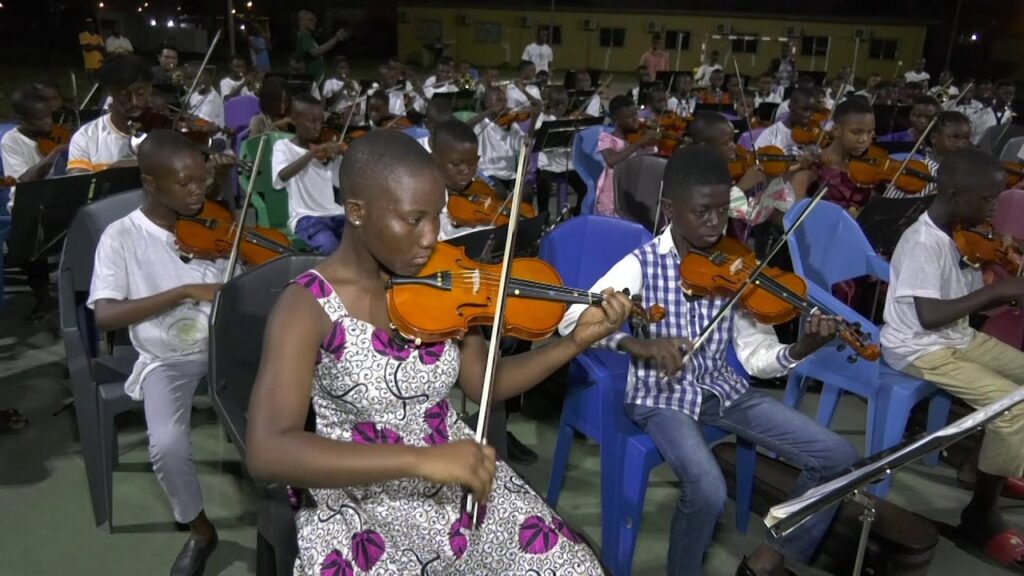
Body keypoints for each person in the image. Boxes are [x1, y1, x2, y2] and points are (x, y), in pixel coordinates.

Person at [246, 130, 627, 575]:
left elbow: (490, 384)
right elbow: (267, 450)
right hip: (357, 496)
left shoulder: (443, 281)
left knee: (574, 568)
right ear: (357, 212)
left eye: (437, 217)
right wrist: (421, 460)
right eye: (414, 220)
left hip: (455, 473)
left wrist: (573, 342)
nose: (433, 237)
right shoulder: (307, 306)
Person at [560, 145, 859, 576]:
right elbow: (572, 322)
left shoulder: (735, 265)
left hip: (722, 390)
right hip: (661, 395)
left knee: (838, 455)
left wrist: (799, 350)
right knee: (708, 490)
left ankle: (769, 557)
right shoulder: (640, 265)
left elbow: (756, 358)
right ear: (670, 209)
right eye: (702, 212)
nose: (716, 223)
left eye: (724, 211)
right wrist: (636, 346)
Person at [88, 131, 227, 576]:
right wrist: (183, 290)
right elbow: (106, 317)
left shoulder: (217, 223)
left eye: (202, 181)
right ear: (151, 182)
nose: (197, 192)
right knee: (167, 445)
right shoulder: (121, 237)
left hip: (229, 346)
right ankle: (200, 529)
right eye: (185, 184)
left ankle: (294, 503)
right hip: (167, 358)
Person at [880, 147, 1024, 572]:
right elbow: (929, 316)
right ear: (956, 194)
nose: (995, 208)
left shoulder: (963, 231)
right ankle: (981, 513)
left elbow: (959, 302)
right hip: (918, 347)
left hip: (956, 338)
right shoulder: (923, 241)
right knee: (1012, 406)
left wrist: (996, 269)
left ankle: (989, 464)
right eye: (990, 199)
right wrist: (997, 291)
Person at [2, 86, 69, 321]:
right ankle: (42, 298)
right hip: (27, 200)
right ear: (21, 119)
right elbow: (24, 180)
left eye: (49, 116)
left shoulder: (57, 133)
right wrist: (52, 157)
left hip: (60, 196)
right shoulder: (11, 141)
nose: (47, 124)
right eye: (39, 119)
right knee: (28, 242)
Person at [272, 94, 346, 255]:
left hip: (335, 213)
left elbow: (339, 183)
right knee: (329, 246)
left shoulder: (325, 151)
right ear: (294, 119)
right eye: (312, 121)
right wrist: (312, 154)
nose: (318, 127)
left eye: (321, 121)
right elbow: (281, 178)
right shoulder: (283, 147)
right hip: (306, 217)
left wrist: (340, 158)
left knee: (366, 240)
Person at [67, 55, 152, 174]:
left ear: (150, 89)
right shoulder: (86, 137)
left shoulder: (164, 132)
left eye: (141, 93)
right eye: (124, 94)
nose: (134, 102)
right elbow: (80, 186)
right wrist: (111, 173)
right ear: (109, 91)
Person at [790, 97, 876, 212]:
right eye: (856, 132)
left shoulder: (869, 170)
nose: (865, 139)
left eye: (870, 132)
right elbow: (795, 211)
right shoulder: (813, 165)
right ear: (837, 130)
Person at [594, 95, 658, 217]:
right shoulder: (607, 138)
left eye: (636, 114)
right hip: (615, 191)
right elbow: (611, 160)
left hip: (637, 188)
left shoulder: (641, 134)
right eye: (629, 117)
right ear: (616, 119)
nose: (635, 119)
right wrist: (639, 143)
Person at [884, 110, 972, 199]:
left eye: (965, 139)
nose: (961, 145)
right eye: (955, 138)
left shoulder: (964, 172)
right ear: (934, 137)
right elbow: (891, 205)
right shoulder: (914, 168)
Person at [431, 119, 493, 241]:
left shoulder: (476, 186)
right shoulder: (426, 195)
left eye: (472, 163)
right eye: (456, 164)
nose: (466, 170)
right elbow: (443, 237)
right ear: (434, 160)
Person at [533, 85, 587, 218]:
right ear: (549, 104)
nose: (560, 109)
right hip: (548, 164)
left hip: (567, 164)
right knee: (543, 184)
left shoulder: (571, 118)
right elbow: (535, 133)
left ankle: (576, 211)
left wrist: (577, 127)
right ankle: (543, 215)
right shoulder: (544, 118)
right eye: (556, 105)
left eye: (563, 105)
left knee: (584, 187)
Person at [469, 86, 537, 191]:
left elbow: (525, 144)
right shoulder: (481, 124)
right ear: (487, 103)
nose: (503, 104)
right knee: (498, 192)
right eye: (499, 101)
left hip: (509, 174)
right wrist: (489, 111)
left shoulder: (511, 124)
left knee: (526, 192)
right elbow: (466, 126)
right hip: (487, 172)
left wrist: (533, 121)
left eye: (505, 101)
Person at [754, 86, 817, 155]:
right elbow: (756, 161)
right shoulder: (771, 134)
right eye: (804, 109)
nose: (809, 114)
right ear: (790, 106)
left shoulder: (814, 134)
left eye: (812, 110)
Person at [294, 10, 346, 79]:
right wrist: (336, 39)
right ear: (301, 21)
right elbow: (314, 52)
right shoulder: (303, 36)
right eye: (311, 19)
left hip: (317, 79)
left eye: (314, 19)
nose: (314, 22)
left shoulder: (308, 37)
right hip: (311, 80)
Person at [182, 62, 225, 139]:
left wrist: (186, 117)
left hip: (214, 139)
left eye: (197, 77)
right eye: (190, 78)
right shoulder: (194, 94)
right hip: (196, 134)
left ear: (206, 75)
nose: (193, 81)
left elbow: (203, 123)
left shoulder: (212, 98)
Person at [970, 79, 1016, 145]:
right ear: (995, 93)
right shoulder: (979, 115)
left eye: (1011, 94)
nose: (1008, 97)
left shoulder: (1013, 119)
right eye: (1005, 93)